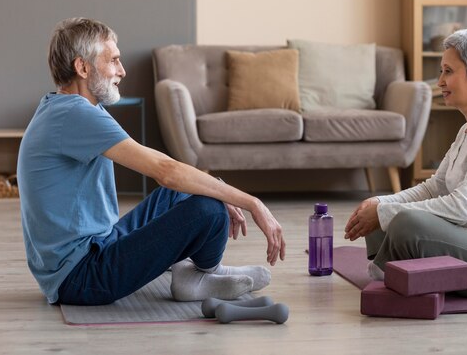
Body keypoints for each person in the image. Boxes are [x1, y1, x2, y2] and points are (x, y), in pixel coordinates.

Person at [17, 18, 286, 305]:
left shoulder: (68, 107)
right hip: (81, 276)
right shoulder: (75, 114)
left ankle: (199, 274)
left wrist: (216, 185)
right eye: (113, 61)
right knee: (208, 209)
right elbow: (164, 170)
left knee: (185, 191)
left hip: (93, 249)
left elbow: (169, 171)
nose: (122, 70)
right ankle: (201, 276)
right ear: (82, 67)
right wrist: (252, 202)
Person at [344, 27, 467, 298]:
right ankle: (395, 266)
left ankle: (391, 269)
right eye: (442, 71)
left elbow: (464, 206)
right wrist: (382, 205)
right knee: (382, 206)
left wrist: (386, 214)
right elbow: (435, 187)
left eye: (448, 71)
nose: (440, 81)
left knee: (404, 221)